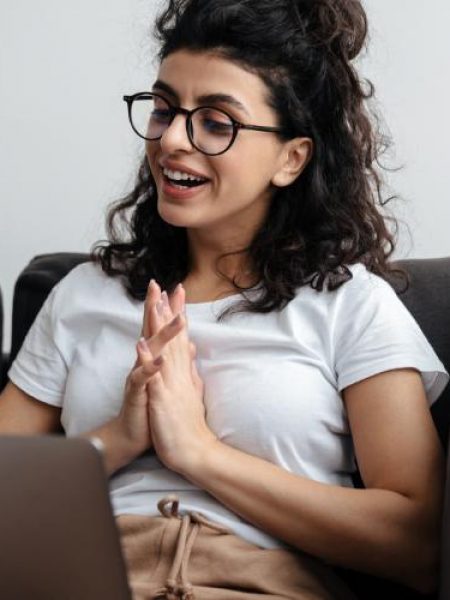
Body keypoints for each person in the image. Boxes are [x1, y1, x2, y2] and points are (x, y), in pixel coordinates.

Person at [1, 0, 449, 598]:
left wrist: (199, 452)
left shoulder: (352, 304)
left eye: (216, 122)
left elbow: (416, 545)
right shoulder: (84, 293)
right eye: (163, 110)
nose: (173, 142)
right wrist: (119, 437)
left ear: (291, 158)